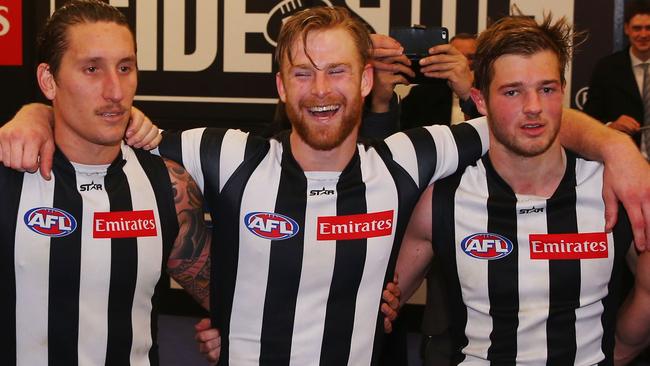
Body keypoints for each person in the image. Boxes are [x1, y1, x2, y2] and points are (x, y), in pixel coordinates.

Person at [3, 5, 650, 366]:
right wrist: (35, 111)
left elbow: (526, 116)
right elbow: (99, 130)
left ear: (366, 81)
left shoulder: (401, 163)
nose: (321, 90)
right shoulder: (223, 154)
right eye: (304, 74)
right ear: (281, 87)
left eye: (338, 71)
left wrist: (616, 145)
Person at [390, 13, 649, 365]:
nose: (534, 108)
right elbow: (382, 304)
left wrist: (613, 352)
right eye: (513, 92)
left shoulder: (610, 189)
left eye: (547, 89)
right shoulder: (444, 200)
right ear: (480, 102)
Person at [0, 1, 211, 365]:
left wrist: (236, 336)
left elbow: (240, 301)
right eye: (92, 69)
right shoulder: (9, 177)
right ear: (49, 80)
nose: (115, 90)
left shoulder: (167, 184)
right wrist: (34, 112)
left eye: (125, 68)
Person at [583, 0, 650, 158]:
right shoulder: (607, 68)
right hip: (623, 161)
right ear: (626, 29)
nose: (643, 34)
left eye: (648, 28)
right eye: (637, 28)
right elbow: (588, 118)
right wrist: (610, 126)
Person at [400, 33, 479, 129]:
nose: (463, 63)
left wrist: (468, 95)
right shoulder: (422, 95)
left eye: (471, 58)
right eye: (456, 57)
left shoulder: (491, 96)